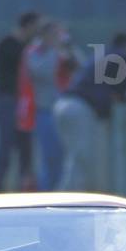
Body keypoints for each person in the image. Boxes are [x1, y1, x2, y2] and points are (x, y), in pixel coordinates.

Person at [53, 32, 126, 192]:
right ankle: (67, 200)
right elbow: (122, 93)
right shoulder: (121, 56)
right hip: (80, 108)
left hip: (65, 104)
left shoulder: (104, 53)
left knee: (75, 158)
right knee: (82, 160)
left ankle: (68, 197)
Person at [17, 20, 79, 191]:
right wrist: (54, 50)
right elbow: (43, 72)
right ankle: (46, 194)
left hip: (65, 110)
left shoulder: (63, 51)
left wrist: (69, 49)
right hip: (45, 111)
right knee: (49, 158)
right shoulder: (34, 53)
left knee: (65, 159)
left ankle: (61, 194)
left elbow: (79, 67)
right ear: (43, 35)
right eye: (52, 34)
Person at [0, 11, 40, 192]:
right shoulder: (9, 44)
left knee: (26, 151)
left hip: (22, 103)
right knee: (5, 149)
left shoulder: (24, 46)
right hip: (8, 101)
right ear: (28, 25)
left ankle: (23, 192)